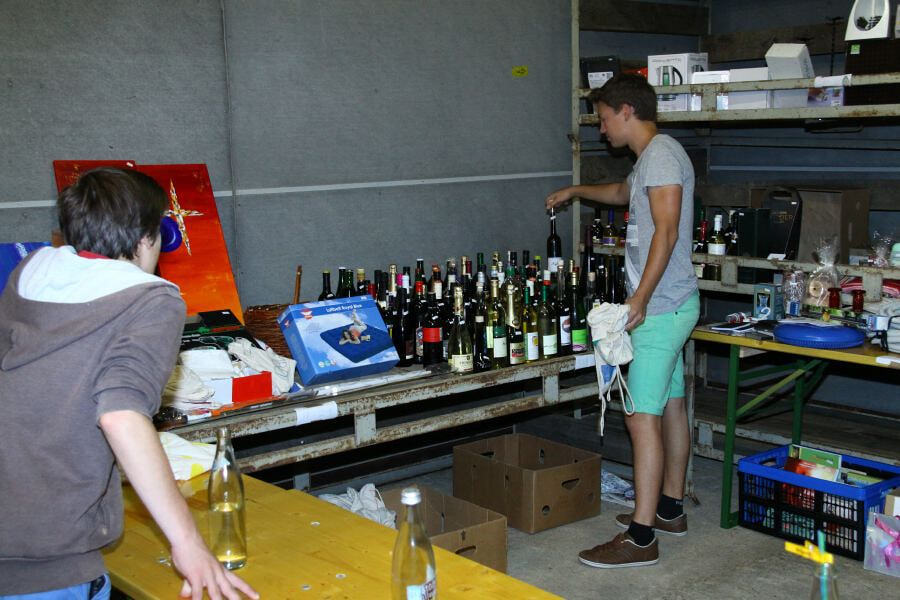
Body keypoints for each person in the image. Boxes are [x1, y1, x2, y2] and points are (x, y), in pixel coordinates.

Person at [0, 168, 258, 600]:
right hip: (47, 558)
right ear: (147, 238)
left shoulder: (29, 274)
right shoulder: (150, 299)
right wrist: (189, 543)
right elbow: (120, 415)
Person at [546, 73, 699, 568]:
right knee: (670, 406)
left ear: (627, 111)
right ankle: (669, 509)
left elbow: (667, 231)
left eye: (604, 118)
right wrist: (575, 190)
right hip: (668, 304)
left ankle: (641, 537)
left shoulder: (664, 155)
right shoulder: (649, 160)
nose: (602, 128)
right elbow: (620, 192)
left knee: (639, 416)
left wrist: (640, 299)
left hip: (661, 308)